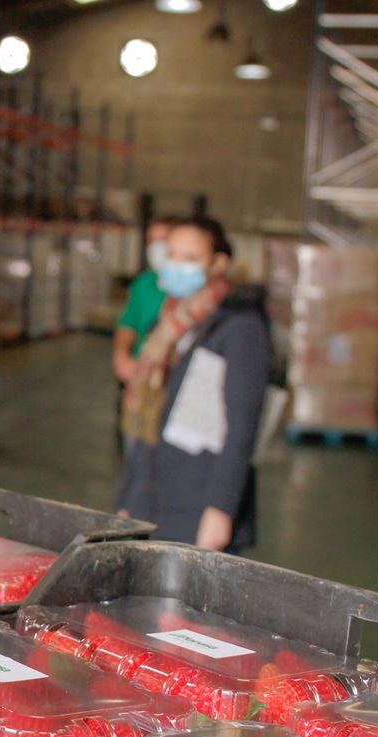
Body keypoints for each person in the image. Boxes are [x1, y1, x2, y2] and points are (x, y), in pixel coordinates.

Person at [116, 216, 270, 553]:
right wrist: (128, 499)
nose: (176, 266)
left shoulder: (239, 327)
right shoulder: (167, 325)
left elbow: (241, 427)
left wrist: (220, 510)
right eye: (172, 255)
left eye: (190, 258)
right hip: (152, 496)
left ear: (218, 263)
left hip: (198, 502)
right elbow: (146, 423)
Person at [112, 220, 172, 384]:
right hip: (140, 372)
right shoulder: (144, 282)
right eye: (152, 241)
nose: (157, 248)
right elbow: (128, 324)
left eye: (163, 239)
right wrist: (122, 355)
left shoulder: (190, 290)